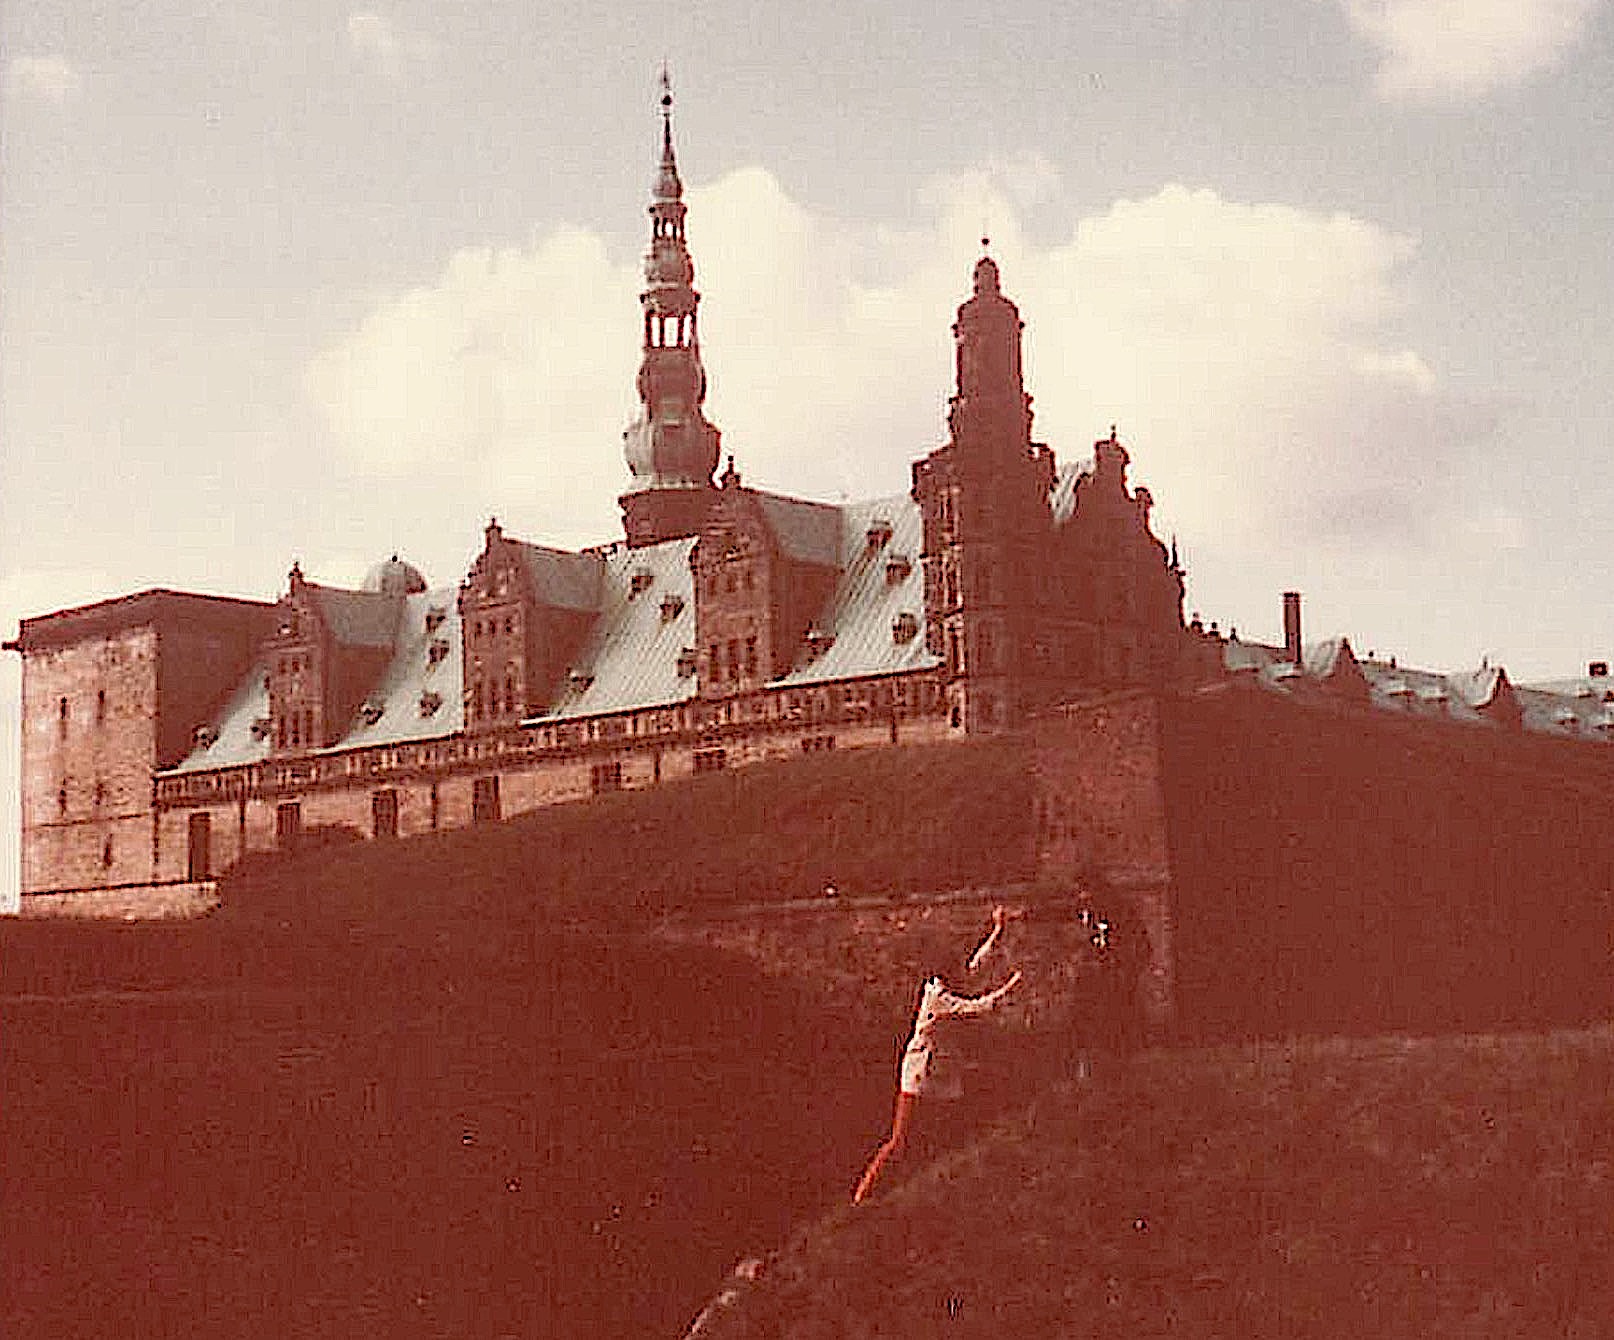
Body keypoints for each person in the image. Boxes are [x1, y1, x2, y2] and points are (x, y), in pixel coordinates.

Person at [852, 906, 1022, 1205]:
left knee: (939, 1139)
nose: (963, 968)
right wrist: (1011, 987)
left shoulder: (951, 981)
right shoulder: (938, 995)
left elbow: (977, 965)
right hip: (921, 1072)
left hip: (942, 1072)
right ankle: (862, 1198)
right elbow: (976, 1007)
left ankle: (924, 1194)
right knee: (899, 1141)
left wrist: (998, 930)